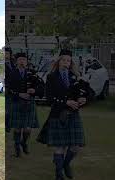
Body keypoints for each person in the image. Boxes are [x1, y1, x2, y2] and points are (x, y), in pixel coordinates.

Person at [37, 50, 87, 180]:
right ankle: (58, 174)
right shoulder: (51, 77)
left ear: (71, 63)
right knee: (60, 147)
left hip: (73, 114)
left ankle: (65, 164)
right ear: (59, 61)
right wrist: (66, 102)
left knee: (75, 146)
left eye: (68, 61)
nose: (66, 62)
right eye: (64, 60)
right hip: (58, 114)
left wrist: (83, 99)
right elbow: (49, 98)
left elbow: (85, 93)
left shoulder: (75, 76)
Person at [8, 52, 43, 157]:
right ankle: (17, 146)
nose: (22, 61)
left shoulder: (32, 73)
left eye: (24, 60)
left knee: (28, 128)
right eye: (20, 60)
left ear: (26, 62)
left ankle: (24, 142)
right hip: (17, 101)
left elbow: (40, 85)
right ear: (16, 61)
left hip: (29, 103)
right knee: (17, 128)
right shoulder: (12, 73)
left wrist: (35, 90)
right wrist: (19, 94)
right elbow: (9, 89)